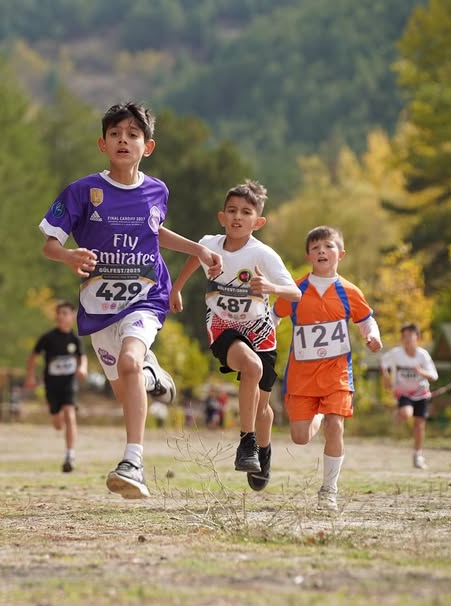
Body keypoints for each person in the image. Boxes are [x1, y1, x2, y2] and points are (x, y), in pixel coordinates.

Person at [38, 101, 222, 499]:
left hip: (146, 296)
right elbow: (49, 244)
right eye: (116, 134)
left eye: (133, 134)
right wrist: (69, 255)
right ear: (102, 144)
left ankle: (133, 461)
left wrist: (199, 250)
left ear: (148, 146)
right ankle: (153, 376)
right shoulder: (83, 191)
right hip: (99, 308)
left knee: (128, 362)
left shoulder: (157, 190)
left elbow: (156, 233)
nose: (124, 140)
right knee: (126, 391)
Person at [169, 180, 300, 491]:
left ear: (259, 221)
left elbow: (294, 292)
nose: (238, 217)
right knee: (251, 367)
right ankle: (247, 443)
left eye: (246, 212)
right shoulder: (210, 245)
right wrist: (177, 287)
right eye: (232, 211)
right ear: (222, 217)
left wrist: (270, 288)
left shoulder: (264, 255)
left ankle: (262, 450)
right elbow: (194, 256)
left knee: (263, 409)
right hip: (223, 325)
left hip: (261, 331)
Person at [272, 226, 383, 511]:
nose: (322, 250)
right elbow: (274, 316)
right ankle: (318, 413)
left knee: (336, 426)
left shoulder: (349, 291)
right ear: (308, 255)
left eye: (329, 246)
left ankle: (328, 490)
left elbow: (366, 320)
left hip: (337, 374)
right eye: (316, 247)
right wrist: (261, 340)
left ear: (340, 254)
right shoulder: (295, 290)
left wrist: (372, 336)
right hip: (301, 376)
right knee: (299, 437)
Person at [25, 300, 88, 473]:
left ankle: (70, 455)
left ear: (72, 317)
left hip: (69, 383)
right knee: (58, 423)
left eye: (65, 313)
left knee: (70, 413)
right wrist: (30, 376)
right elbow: (32, 356)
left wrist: (82, 368)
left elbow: (82, 357)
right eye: (58, 313)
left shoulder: (75, 339)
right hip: (52, 385)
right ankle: (56, 415)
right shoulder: (48, 338)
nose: (61, 316)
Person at [380, 323, 439, 469]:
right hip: (403, 393)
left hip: (421, 392)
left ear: (417, 337)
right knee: (407, 414)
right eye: (404, 336)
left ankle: (418, 455)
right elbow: (382, 362)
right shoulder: (396, 354)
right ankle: (400, 413)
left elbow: (434, 375)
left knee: (419, 425)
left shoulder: (423, 355)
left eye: (409, 336)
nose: (406, 339)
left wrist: (421, 372)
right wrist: (386, 377)